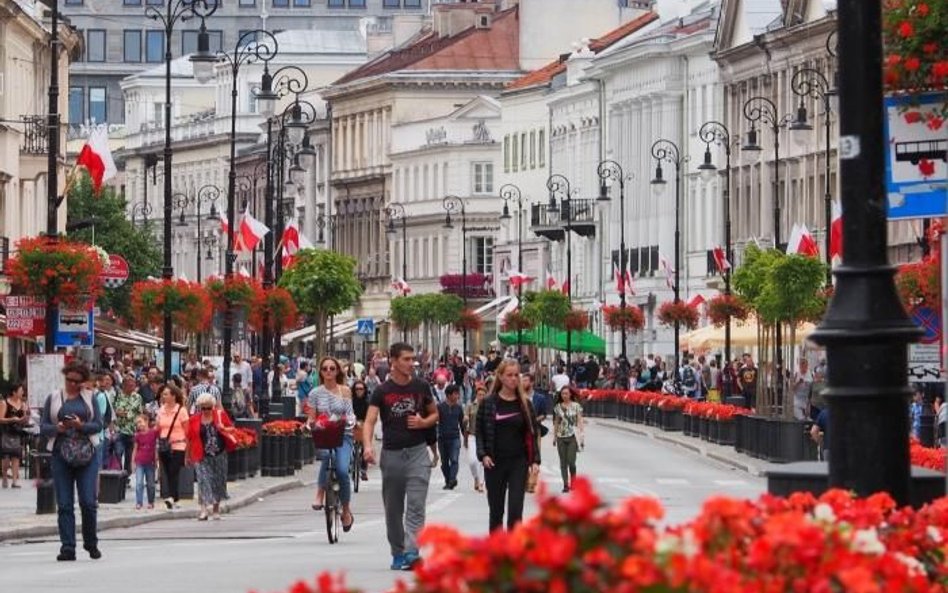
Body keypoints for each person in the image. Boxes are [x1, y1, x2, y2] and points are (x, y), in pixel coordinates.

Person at [363, 342, 438, 571]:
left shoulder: (421, 386)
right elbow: (370, 420)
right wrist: (367, 446)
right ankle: (398, 552)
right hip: (392, 454)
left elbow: (434, 413)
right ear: (393, 361)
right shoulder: (382, 391)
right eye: (406, 359)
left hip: (417, 452)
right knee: (394, 508)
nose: (410, 363)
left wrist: (423, 422)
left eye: (412, 359)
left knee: (416, 505)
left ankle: (412, 552)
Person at [40, 361, 103, 561]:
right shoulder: (54, 397)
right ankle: (68, 546)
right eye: (70, 380)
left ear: (83, 382)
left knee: (88, 501)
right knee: (65, 504)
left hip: (86, 454)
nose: (73, 384)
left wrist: (81, 425)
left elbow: (99, 425)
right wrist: (57, 428)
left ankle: (91, 542)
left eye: (77, 381)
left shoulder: (90, 398)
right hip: (61, 454)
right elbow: (43, 427)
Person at [475, 359, 541, 532]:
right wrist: (483, 455)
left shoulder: (525, 404)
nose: (513, 379)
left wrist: (535, 460)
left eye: (516, 375)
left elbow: (533, 433)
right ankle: (497, 552)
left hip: (518, 462)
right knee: (496, 512)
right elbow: (480, 432)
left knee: (515, 511)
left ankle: (514, 551)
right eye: (509, 375)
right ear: (501, 377)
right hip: (494, 462)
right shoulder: (488, 403)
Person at [308, 356, 357, 531]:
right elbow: (311, 416)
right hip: (324, 434)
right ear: (320, 372)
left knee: (343, 470)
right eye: (325, 369)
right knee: (327, 455)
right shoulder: (315, 393)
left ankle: (346, 510)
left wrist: (350, 421)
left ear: (337, 371)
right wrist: (312, 424)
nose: (328, 371)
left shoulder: (344, 391)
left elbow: (350, 413)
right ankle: (320, 494)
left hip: (343, 434)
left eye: (332, 368)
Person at [186, 394, 236, 521]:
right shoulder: (194, 420)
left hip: (219, 454)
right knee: (203, 482)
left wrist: (224, 428)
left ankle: (215, 509)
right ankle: (203, 510)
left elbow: (232, 428)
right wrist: (187, 456)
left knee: (218, 482)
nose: (206, 411)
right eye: (203, 408)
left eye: (208, 408)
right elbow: (189, 439)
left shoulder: (219, 415)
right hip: (201, 456)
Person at [156, 384, 189, 510]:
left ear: (173, 396)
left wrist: (187, 449)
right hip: (165, 445)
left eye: (166, 394)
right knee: (168, 472)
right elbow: (158, 428)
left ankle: (170, 496)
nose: (163, 396)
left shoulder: (181, 410)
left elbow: (187, 431)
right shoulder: (161, 410)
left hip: (178, 445)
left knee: (174, 470)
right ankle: (175, 498)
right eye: (163, 394)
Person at [552, 386, 584, 493]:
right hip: (561, 436)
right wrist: (554, 436)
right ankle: (566, 484)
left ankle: (573, 482)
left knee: (571, 461)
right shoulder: (557, 407)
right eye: (562, 394)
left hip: (572, 436)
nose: (564, 395)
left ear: (570, 394)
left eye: (566, 393)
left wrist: (581, 435)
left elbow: (579, 420)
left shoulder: (576, 406)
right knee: (563, 462)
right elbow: (556, 422)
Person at [112, 374, 143, 478]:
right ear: (124, 386)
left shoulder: (137, 397)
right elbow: (113, 410)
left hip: (132, 430)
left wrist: (124, 413)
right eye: (129, 385)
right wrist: (118, 412)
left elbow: (138, 412)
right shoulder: (118, 396)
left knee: (129, 456)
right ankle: (119, 474)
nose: (132, 387)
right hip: (119, 429)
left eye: (133, 385)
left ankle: (126, 476)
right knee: (118, 452)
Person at [0, 383, 29, 488]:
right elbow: (1, 419)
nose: (22, 393)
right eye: (20, 391)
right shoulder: (4, 403)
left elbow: (24, 421)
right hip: (6, 433)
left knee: (16, 456)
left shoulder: (22, 404)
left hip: (17, 433)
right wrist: (12, 419)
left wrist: (25, 413)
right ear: (14, 392)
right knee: (6, 457)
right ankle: (4, 476)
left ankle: (14, 481)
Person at [436, 384, 464, 490]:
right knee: (444, 463)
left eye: (458, 394)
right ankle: (448, 480)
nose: (457, 396)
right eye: (455, 394)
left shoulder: (459, 407)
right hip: (442, 438)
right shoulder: (440, 407)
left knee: (454, 459)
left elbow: (461, 423)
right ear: (448, 395)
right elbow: (435, 420)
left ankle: (452, 479)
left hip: (455, 438)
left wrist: (465, 437)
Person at [463, 383, 487, 493]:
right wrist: (466, 418)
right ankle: (476, 478)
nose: (481, 396)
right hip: (472, 435)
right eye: (479, 394)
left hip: (485, 436)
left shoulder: (489, 406)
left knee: (482, 461)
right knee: (472, 461)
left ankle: (481, 483)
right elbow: (465, 417)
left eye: (483, 394)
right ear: (476, 395)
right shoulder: (470, 405)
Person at [132, 414, 158, 510]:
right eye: (137, 423)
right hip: (140, 461)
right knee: (139, 483)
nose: (139, 425)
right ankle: (139, 502)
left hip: (150, 462)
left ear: (146, 421)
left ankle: (151, 502)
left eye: (140, 422)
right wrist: (133, 462)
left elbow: (155, 446)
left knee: (150, 483)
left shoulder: (153, 433)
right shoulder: (137, 436)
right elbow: (135, 449)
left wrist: (156, 459)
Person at [351, 380, 370, 481]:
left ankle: (363, 470)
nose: (359, 391)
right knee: (349, 445)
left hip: (363, 424)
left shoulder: (367, 403)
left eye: (361, 389)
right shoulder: (350, 401)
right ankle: (351, 464)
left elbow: (370, 417)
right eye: (357, 389)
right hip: (352, 424)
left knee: (364, 446)